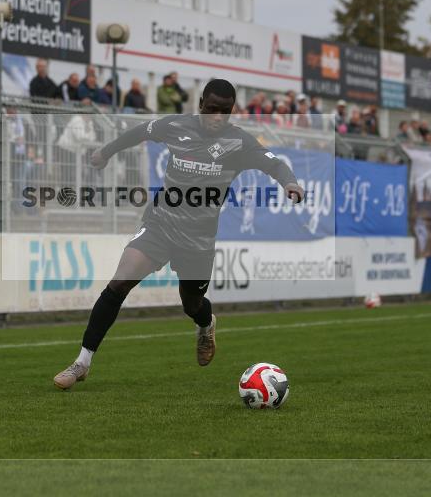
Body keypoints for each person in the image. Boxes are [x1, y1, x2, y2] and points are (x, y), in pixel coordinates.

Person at [53, 78, 305, 390]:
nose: (217, 117)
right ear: (200, 104)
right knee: (119, 282)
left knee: (192, 304)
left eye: (224, 112)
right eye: (212, 109)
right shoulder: (175, 126)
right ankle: (82, 362)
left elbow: (274, 164)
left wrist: (289, 182)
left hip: (197, 240)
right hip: (160, 223)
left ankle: (206, 324)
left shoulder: (239, 143)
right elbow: (139, 132)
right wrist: (106, 151)